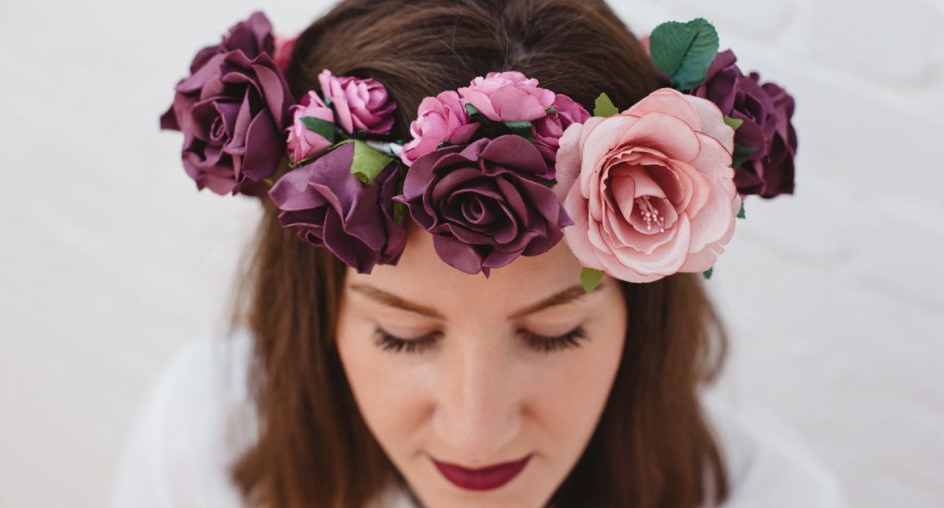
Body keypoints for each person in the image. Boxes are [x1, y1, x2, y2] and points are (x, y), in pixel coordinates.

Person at [113, 1, 842, 506]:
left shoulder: (777, 499)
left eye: (556, 334)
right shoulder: (203, 445)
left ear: (643, 315)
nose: (476, 430)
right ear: (317, 315)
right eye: (402, 336)